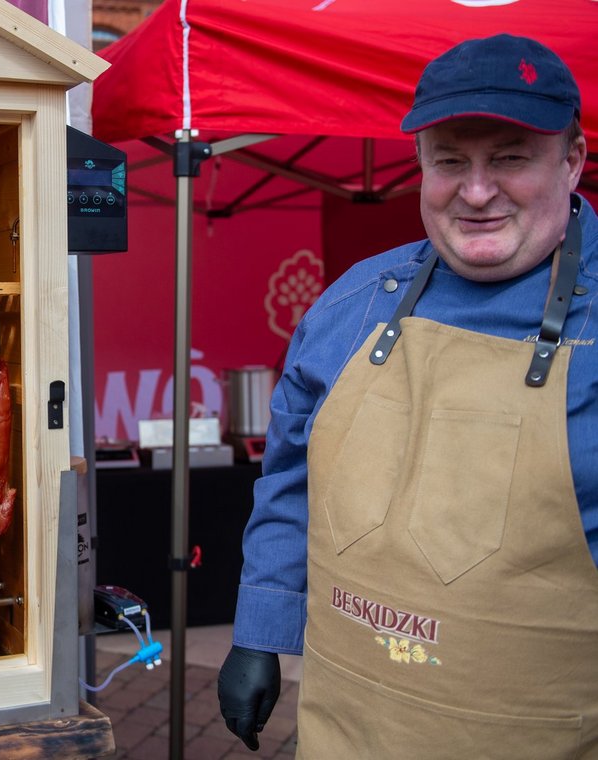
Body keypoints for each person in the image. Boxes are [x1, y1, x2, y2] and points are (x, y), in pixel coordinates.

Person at [217, 33, 597, 759]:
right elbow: (289, 482)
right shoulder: (351, 303)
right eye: (450, 160)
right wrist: (259, 632)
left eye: (511, 157)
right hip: (347, 728)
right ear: (420, 164)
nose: (476, 191)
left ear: (572, 160)